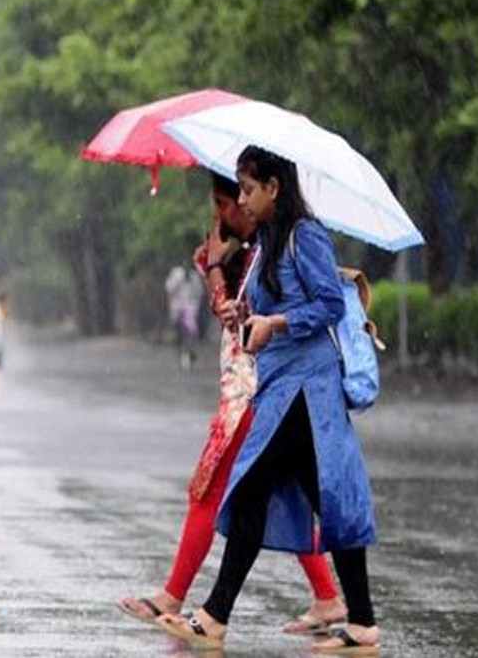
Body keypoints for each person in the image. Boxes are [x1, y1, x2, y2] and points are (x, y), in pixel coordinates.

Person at [156, 147, 381, 654]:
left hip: (306, 392)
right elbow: (274, 302)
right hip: (280, 387)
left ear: (275, 188)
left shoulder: (307, 237)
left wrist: (277, 323)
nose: (242, 199)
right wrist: (244, 311)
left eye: (249, 189)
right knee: (326, 502)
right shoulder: (266, 244)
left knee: (253, 490)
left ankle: (214, 615)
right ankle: (361, 620)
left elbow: (325, 305)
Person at [118, 172, 346, 634]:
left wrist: (219, 270)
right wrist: (217, 268)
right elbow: (234, 316)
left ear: (262, 196)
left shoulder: (276, 249)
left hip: (257, 390)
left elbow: (263, 318)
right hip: (253, 387)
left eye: (234, 198)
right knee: (279, 495)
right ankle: (330, 598)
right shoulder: (257, 248)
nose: (224, 211)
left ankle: (187, 600)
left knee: (216, 487)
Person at [164, 263, 204, 370]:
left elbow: (199, 294)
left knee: (191, 333)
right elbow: (169, 290)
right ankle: (182, 351)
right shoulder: (176, 275)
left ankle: (189, 352)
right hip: (178, 308)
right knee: (180, 333)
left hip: (191, 309)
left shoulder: (194, 278)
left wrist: (195, 310)